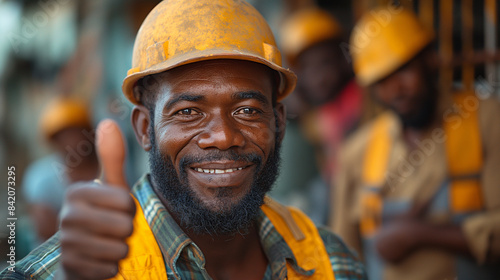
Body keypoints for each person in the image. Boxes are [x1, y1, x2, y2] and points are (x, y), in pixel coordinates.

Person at [1, 1, 367, 279]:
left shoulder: (332, 263)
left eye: (248, 111)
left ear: (280, 122)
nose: (223, 137)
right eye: (188, 112)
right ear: (145, 129)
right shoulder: (67, 270)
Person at [330, 7, 500, 280]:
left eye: (403, 70)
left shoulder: (487, 120)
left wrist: (419, 234)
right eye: (382, 81)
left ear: (430, 60)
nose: (396, 89)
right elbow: (341, 257)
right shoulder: (358, 152)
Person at [22, 96, 99, 246]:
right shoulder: (40, 178)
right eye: (63, 137)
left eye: (76, 132)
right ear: (54, 142)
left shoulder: (109, 167)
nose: (72, 142)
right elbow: (46, 231)